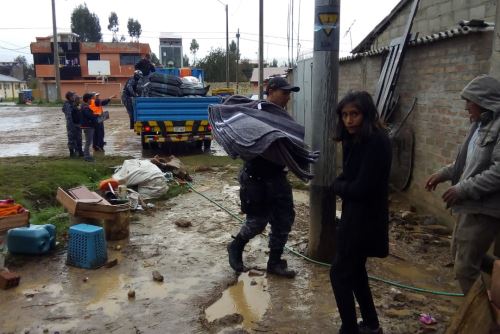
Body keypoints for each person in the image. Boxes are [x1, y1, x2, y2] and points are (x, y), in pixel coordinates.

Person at [425, 74, 500, 294]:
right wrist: (445, 173)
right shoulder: (479, 125)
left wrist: (463, 188)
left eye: (470, 100)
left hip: (484, 208)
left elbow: (498, 171)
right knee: (459, 252)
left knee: (465, 267)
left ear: (484, 100)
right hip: (470, 205)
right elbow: (467, 161)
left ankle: (482, 320)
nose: (466, 106)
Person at [227, 77, 301, 278]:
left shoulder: (283, 118)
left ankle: (275, 263)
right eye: (284, 93)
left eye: (289, 94)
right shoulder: (255, 113)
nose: (288, 97)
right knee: (257, 222)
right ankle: (235, 247)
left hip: (278, 177)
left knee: (284, 220)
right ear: (271, 91)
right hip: (256, 177)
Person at [330, 91, 391, 334]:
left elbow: (361, 188)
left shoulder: (377, 141)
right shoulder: (353, 139)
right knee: (355, 271)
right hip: (353, 216)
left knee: (339, 274)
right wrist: (343, 184)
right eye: (344, 115)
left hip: (365, 220)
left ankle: (349, 328)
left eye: (354, 114)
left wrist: (337, 186)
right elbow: (349, 176)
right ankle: (371, 324)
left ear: (366, 114)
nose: (348, 120)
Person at [80, 93, 99, 162]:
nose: (92, 100)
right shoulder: (85, 107)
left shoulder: (85, 106)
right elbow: (90, 116)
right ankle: (87, 156)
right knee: (88, 142)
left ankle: (87, 155)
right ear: (88, 99)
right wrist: (96, 117)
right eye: (91, 98)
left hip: (88, 126)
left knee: (88, 141)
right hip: (88, 126)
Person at [62, 91, 81, 157]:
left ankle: (79, 151)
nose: (75, 97)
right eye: (73, 96)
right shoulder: (67, 104)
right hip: (72, 125)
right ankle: (72, 153)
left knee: (78, 138)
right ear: (70, 97)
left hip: (77, 124)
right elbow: (68, 116)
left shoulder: (73, 103)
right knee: (72, 139)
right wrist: (71, 125)